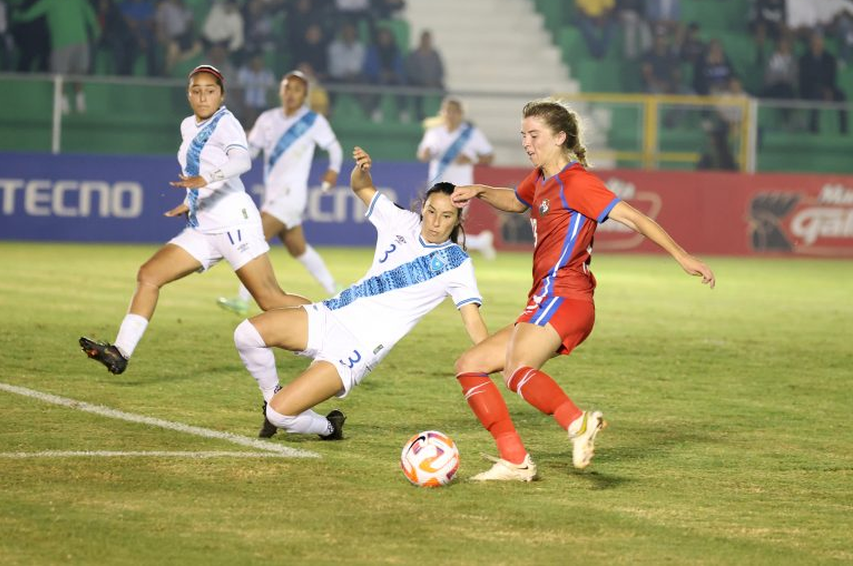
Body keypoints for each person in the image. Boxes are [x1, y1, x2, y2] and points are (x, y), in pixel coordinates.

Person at [449, 99, 715, 481]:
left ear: (560, 137)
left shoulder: (577, 182)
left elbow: (634, 217)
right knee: (470, 366)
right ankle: (515, 460)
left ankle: (578, 423)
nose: (527, 142)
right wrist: (480, 191)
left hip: (566, 297)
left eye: (534, 135)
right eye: (523, 135)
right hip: (545, 299)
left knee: (517, 371)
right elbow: (516, 200)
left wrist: (683, 256)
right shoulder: (541, 178)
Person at [234, 146, 488, 439]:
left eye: (445, 216)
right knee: (247, 335)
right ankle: (271, 395)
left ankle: (329, 426)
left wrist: (493, 357)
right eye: (431, 211)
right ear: (423, 206)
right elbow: (361, 186)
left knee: (280, 414)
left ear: (458, 220)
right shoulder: (401, 221)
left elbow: (472, 320)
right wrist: (362, 170)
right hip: (329, 315)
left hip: (357, 348)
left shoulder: (456, 263)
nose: (434, 222)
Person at [79, 65, 308, 375]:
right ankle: (120, 352)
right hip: (203, 226)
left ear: (221, 95)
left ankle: (333, 330)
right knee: (149, 275)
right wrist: (189, 201)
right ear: (188, 94)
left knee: (270, 299)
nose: (203, 96)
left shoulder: (226, 123)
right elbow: (196, 171)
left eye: (210, 90)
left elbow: (242, 160)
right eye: (196, 90)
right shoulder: (188, 125)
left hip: (234, 222)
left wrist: (206, 178)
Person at [217, 70, 343, 316]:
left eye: (297, 89)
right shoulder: (267, 119)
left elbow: (335, 148)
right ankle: (335, 288)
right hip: (273, 194)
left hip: (291, 196)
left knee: (252, 239)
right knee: (299, 248)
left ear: (305, 94)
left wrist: (333, 171)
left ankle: (243, 299)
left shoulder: (313, 121)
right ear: (280, 91)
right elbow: (250, 151)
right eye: (287, 88)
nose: (291, 93)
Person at [417, 97, 496, 259]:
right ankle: (479, 243)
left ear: (461, 114)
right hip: (436, 188)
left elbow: (489, 156)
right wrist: (425, 154)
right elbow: (422, 155)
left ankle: (475, 245)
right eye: (447, 111)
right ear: (442, 113)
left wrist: (472, 159)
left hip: (460, 188)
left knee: (446, 226)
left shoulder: (471, 134)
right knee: (435, 226)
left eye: (454, 111)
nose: (450, 115)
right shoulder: (434, 133)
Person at [13, 0, 100, 113]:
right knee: (60, 76)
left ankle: (79, 102)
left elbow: (90, 15)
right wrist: (18, 15)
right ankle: (63, 103)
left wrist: (96, 31)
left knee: (78, 74)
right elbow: (31, 13)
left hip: (79, 42)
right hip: (62, 44)